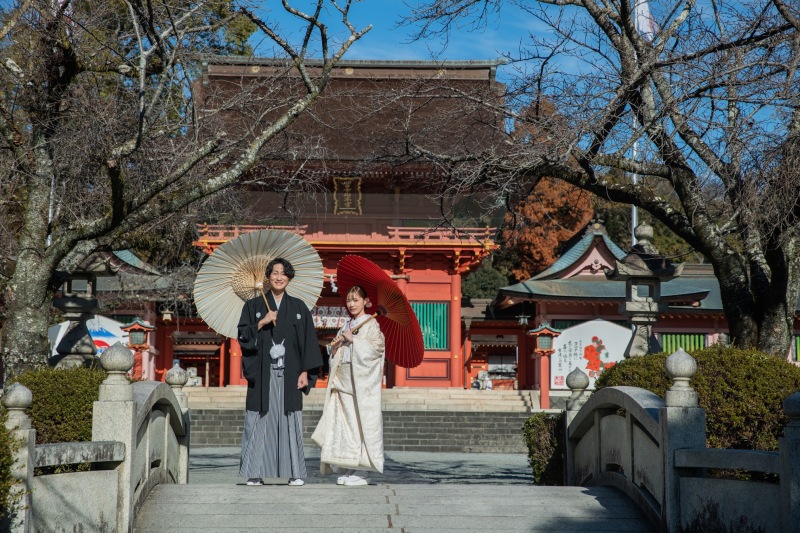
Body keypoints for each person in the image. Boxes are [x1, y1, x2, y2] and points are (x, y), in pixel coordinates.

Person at [236, 257, 322, 487]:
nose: (279, 277)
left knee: (290, 419)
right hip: (263, 374)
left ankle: (295, 472)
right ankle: (255, 473)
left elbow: (308, 342)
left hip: (290, 373)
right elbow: (243, 336)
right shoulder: (253, 306)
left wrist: (305, 371)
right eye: (275, 272)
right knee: (259, 418)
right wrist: (262, 321)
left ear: (289, 278)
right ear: (268, 276)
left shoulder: (299, 307)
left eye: (284, 273)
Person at [311, 285, 386, 486]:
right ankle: (349, 465)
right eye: (349, 300)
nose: (352, 304)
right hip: (343, 381)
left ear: (366, 301)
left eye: (356, 300)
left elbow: (377, 350)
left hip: (359, 384)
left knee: (359, 424)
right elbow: (337, 356)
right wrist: (336, 348)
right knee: (345, 425)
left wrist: (355, 341)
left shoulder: (372, 324)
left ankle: (363, 470)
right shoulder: (346, 324)